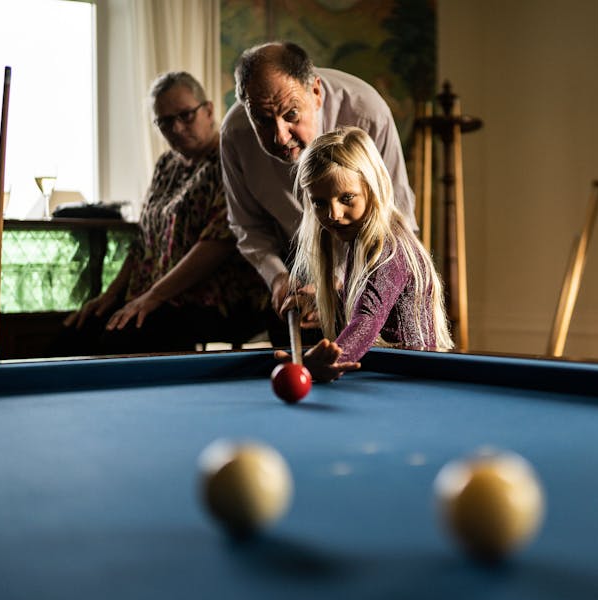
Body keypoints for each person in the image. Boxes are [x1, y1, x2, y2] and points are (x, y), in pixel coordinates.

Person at [57, 71, 267, 355]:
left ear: (208, 110)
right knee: (74, 332)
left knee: (118, 340)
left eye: (185, 115)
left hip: (208, 300)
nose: (177, 128)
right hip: (155, 296)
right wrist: (109, 296)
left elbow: (217, 243)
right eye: (165, 122)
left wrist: (153, 297)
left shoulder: (229, 158)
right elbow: (143, 243)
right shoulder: (167, 164)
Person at [220, 41, 417, 343]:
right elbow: (248, 227)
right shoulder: (234, 134)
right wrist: (278, 279)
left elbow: (395, 216)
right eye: (261, 119)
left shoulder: (366, 112)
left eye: (291, 115)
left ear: (315, 91)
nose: (279, 136)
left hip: (371, 263)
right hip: (293, 268)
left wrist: (337, 280)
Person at [274, 127, 452, 382]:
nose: (333, 214)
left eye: (347, 198)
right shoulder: (360, 241)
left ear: (372, 188)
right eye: (320, 203)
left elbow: (367, 318)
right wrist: (317, 302)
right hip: (388, 378)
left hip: (412, 382)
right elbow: (369, 297)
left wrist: (322, 364)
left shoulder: (388, 248)